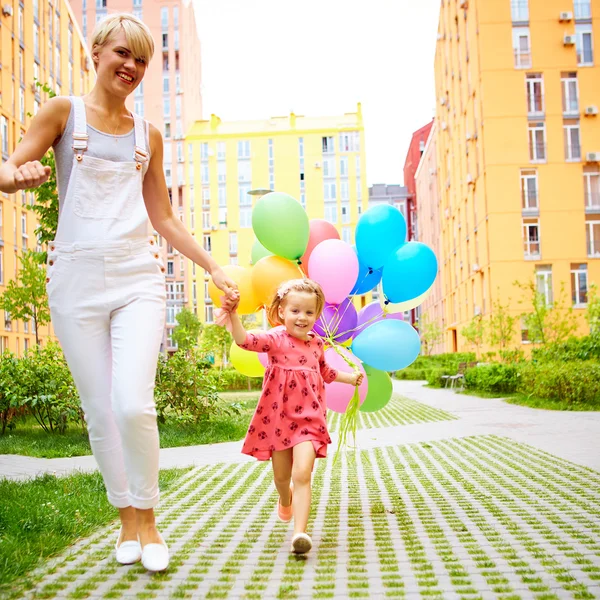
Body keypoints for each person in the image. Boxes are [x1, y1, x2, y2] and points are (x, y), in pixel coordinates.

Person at [0, 14, 237, 572]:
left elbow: (164, 217)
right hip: (75, 278)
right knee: (100, 411)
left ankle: (150, 520)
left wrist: (212, 266)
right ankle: (125, 519)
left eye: (141, 61)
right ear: (98, 54)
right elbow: (12, 165)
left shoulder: (146, 135)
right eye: (122, 54)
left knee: (132, 403)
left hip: (137, 277)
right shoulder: (63, 112)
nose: (131, 67)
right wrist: (15, 176)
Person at [220, 278, 363, 554]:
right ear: (282, 312)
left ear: (317, 315)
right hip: (278, 420)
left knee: (302, 474)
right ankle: (284, 501)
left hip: (309, 420)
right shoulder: (275, 338)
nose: (302, 317)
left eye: (309, 312)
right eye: (295, 311)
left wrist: (350, 378)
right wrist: (234, 314)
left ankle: (300, 533)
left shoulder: (316, 344)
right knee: (282, 478)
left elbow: (326, 373)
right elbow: (244, 340)